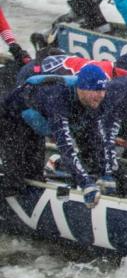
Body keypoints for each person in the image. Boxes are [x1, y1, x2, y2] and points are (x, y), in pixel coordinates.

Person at [0, 63, 108, 204]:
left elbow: (96, 143)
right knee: (15, 178)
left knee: (35, 178)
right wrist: (85, 183)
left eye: (103, 90)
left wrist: (102, 174)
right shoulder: (58, 97)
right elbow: (65, 146)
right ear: (81, 88)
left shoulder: (94, 102)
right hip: (9, 119)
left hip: (34, 125)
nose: (101, 95)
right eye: (96, 90)